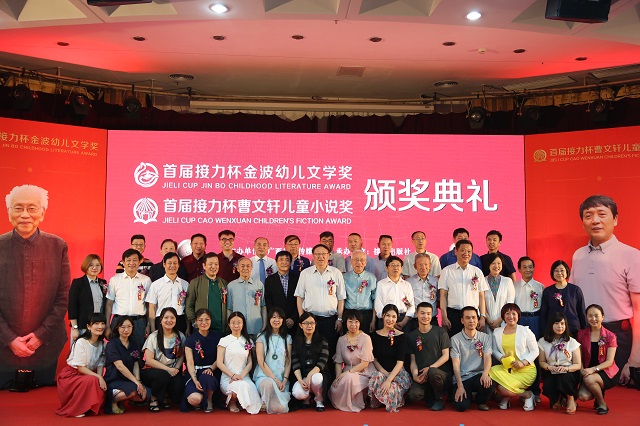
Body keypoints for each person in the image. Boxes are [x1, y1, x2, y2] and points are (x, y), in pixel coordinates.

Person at [0, 184, 70, 389]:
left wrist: (39, 336)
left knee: (42, 401)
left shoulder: (58, 246)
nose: (25, 215)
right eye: (18, 208)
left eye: (31, 208)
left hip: (46, 347)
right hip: (2, 348)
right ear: (9, 212)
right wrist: (10, 339)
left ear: (42, 212)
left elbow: (63, 296)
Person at [571, 195, 640, 379]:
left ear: (615, 219)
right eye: (588, 215)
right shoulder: (578, 255)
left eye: (602, 214)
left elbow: (638, 308)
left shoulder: (631, 255)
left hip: (617, 336)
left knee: (600, 384)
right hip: (584, 334)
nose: (595, 220)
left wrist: (635, 357)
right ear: (583, 222)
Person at [295, 243, 345, 359]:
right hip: (310, 320)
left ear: (329, 255)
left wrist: (339, 318)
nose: (320, 257)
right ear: (313, 256)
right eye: (317, 254)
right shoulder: (305, 273)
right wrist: (302, 318)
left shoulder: (336, 273)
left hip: (330, 320)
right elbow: (299, 297)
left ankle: (330, 371)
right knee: (311, 351)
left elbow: (341, 298)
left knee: (330, 351)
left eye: (323, 254)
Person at [55, 313, 107, 418]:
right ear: (89, 326)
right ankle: (76, 409)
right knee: (93, 380)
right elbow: (80, 367)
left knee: (99, 384)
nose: (100, 326)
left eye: (102, 323)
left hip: (89, 375)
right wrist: (98, 377)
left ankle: (88, 407)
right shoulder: (81, 342)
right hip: (72, 376)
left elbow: (101, 364)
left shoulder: (102, 344)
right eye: (96, 323)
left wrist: (100, 378)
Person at [488, 303, 538, 411]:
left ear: (518, 315)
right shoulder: (497, 332)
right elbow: (494, 350)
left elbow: (535, 351)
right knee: (489, 373)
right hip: (507, 369)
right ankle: (508, 396)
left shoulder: (525, 331)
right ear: (503, 316)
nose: (511, 316)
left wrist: (522, 362)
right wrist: (501, 357)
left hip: (525, 370)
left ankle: (528, 395)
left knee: (504, 389)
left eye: (513, 313)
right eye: (507, 313)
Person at [406, 302, 451, 411]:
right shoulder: (411, 336)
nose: (425, 316)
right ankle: (429, 395)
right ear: (416, 314)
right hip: (423, 376)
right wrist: (415, 376)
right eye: (422, 313)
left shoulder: (441, 332)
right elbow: (413, 361)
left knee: (432, 372)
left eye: (428, 314)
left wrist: (430, 368)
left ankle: (439, 399)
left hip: (440, 374)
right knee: (414, 395)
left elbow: (446, 356)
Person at [439, 239, 488, 337]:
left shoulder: (477, 271)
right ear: (455, 251)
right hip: (453, 315)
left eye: (469, 251)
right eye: (462, 250)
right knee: (453, 342)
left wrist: (482, 316)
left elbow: (481, 296)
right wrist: (444, 316)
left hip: (472, 316)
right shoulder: (447, 271)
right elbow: (443, 296)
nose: (466, 253)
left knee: (474, 343)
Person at [577, 304, 619, 415]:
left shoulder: (610, 336)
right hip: (587, 372)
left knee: (589, 379)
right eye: (590, 316)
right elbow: (579, 356)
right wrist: (582, 370)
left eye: (596, 316)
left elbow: (609, 362)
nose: (593, 319)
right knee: (582, 396)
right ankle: (597, 390)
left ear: (602, 317)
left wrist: (593, 369)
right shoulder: (581, 334)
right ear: (586, 317)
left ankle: (602, 403)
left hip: (606, 371)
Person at [141, 307, 186, 411]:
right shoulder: (153, 336)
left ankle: (165, 395)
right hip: (153, 370)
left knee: (178, 385)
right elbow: (149, 360)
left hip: (172, 370)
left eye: (172, 318)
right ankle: (154, 398)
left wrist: (176, 369)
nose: (169, 320)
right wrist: (168, 369)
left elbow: (182, 355)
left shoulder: (180, 336)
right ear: (161, 320)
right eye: (166, 317)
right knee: (162, 375)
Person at [105, 248, 151, 349]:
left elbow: (149, 305)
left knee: (137, 352)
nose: (131, 263)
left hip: (139, 323)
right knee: (117, 351)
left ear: (140, 262)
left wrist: (148, 324)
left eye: (135, 260)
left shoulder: (146, 280)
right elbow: (109, 303)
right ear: (123, 262)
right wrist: (107, 325)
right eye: (128, 260)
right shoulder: (115, 280)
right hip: (119, 321)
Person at [329, 310, 375, 412]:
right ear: (345, 322)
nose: (353, 325)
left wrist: (347, 373)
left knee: (350, 378)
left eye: (356, 322)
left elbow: (365, 363)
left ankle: (355, 404)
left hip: (364, 372)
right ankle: (343, 403)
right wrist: (338, 377)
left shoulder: (366, 338)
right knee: (335, 386)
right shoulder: (341, 340)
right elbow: (338, 361)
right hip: (346, 372)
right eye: (350, 321)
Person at [450, 306, 493, 412]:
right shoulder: (455, 339)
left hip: (478, 375)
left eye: (474, 317)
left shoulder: (485, 337)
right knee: (461, 406)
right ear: (462, 320)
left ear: (478, 320)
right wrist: (460, 385)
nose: (471, 321)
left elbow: (487, 357)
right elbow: (455, 364)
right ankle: (464, 396)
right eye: (468, 318)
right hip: (463, 378)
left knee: (489, 384)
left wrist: (485, 374)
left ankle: (480, 401)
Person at [368, 304, 411, 412]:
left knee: (392, 389)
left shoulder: (402, 336)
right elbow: (375, 360)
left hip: (397, 374)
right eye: (388, 316)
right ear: (383, 316)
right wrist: (385, 375)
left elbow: (400, 362)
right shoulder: (374, 336)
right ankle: (382, 399)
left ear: (397, 319)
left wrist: (389, 380)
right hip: (382, 372)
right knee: (376, 377)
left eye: (393, 317)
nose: (390, 319)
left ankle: (391, 398)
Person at [217, 312, 261, 414]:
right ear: (229, 324)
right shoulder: (224, 340)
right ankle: (232, 402)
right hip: (228, 378)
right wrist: (232, 375)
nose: (236, 326)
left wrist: (241, 376)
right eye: (233, 323)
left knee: (249, 388)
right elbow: (219, 363)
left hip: (244, 377)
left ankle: (243, 402)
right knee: (237, 389)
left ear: (243, 324)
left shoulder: (248, 341)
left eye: (239, 322)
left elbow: (250, 363)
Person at [538, 312, 582, 414]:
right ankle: (558, 398)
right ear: (551, 325)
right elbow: (542, 361)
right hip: (552, 370)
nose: (560, 326)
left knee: (563, 377)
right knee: (549, 384)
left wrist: (566, 368)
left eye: (562, 323)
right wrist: (549, 367)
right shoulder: (542, 342)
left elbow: (578, 365)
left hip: (569, 372)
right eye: (556, 323)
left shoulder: (572, 342)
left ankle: (570, 399)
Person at [514, 256, 545, 401]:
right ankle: (523, 389)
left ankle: (536, 391)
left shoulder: (540, 287)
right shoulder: (514, 286)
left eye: (530, 267)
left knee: (535, 354)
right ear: (519, 269)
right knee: (521, 354)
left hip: (535, 320)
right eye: (525, 267)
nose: (528, 269)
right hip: (519, 321)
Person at [104, 315, 149, 414]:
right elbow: (120, 366)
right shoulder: (112, 345)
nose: (126, 330)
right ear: (117, 328)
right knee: (133, 390)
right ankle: (113, 401)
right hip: (114, 379)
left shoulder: (134, 344)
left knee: (142, 396)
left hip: (128, 379)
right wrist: (136, 383)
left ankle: (121, 400)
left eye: (129, 326)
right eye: (123, 327)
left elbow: (136, 363)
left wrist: (138, 381)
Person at [253, 307, 292, 414]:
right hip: (264, 377)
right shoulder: (261, 337)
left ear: (283, 320)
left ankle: (266, 402)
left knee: (279, 409)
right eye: (274, 317)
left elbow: (288, 361)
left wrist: (284, 380)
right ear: (269, 319)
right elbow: (261, 361)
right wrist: (275, 380)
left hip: (281, 380)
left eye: (279, 318)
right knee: (268, 384)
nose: (276, 320)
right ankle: (263, 400)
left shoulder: (287, 338)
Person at [183, 308, 222, 412]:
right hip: (195, 372)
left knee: (207, 377)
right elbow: (190, 362)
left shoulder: (218, 337)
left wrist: (211, 368)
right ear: (196, 321)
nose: (204, 323)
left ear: (211, 320)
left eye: (207, 319)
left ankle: (209, 400)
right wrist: (195, 379)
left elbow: (220, 358)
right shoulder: (190, 339)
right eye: (200, 320)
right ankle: (200, 400)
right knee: (194, 399)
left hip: (212, 371)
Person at [291, 312, 331, 411]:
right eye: (306, 323)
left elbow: (322, 362)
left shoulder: (322, 340)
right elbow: (295, 363)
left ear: (315, 324)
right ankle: (307, 398)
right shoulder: (296, 342)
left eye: (312, 323)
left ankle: (319, 400)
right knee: (297, 393)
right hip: (303, 376)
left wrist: (309, 376)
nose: (309, 326)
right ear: (300, 325)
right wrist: (300, 380)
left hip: (318, 374)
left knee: (316, 378)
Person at [540, 260, 586, 337]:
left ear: (567, 271)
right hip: (554, 331)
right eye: (556, 271)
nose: (559, 273)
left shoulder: (575, 290)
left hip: (573, 330)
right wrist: (544, 332)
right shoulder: (548, 291)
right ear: (552, 273)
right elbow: (543, 314)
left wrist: (584, 331)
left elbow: (581, 312)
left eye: (562, 270)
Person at [68, 255, 107, 345]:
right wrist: (75, 328)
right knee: (80, 352)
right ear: (86, 266)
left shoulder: (103, 283)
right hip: (82, 327)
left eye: (97, 265)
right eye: (91, 265)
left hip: (98, 328)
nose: (94, 268)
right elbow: (72, 306)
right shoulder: (78, 283)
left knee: (96, 352)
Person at [146, 252, 189, 334]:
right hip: (161, 320)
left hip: (180, 321)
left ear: (178, 265)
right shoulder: (156, 285)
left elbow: (187, 307)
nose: (172, 265)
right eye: (169, 263)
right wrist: (153, 328)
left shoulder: (185, 284)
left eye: (175, 263)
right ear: (164, 264)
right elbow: (152, 308)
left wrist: (188, 327)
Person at [186, 252, 229, 333]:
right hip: (201, 329)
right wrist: (195, 322)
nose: (213, 267)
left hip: (220, 329)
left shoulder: (223, 283)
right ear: (204, 266)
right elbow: (189, 306)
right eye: (210, 264)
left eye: (216, 264)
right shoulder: (195, 283)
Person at [227, 257, 266, 338]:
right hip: (238, 329)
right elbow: (229, 309)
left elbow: (263, 306)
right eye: (242, 266)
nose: (245, 268)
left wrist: (264, 324)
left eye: (248, 266)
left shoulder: (259, 285)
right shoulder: (231, 286)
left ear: (251, 268)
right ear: (238, 268)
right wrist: (230, 326)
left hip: (256, 327)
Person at [264, 250, 300, 335]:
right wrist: (277, 318)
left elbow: (300, 299)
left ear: (291, 262)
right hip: (276, 322)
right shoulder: (269, 280)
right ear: (276, 262)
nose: (284, 262)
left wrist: (293, 318)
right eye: (281, 260)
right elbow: (268, 301)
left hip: (293, 322)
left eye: (287, 260)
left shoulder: (297, 278)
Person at [374, 256, 414, 330]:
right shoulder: (381, 284)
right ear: (386, 268)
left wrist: (403, 323)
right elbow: (378, 306)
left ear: (401, 268)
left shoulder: (407, 285)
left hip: (403, 320)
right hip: (385, 320)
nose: (395, 268)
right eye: (392, 265)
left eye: (398, 265)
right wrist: (389, 320)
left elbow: (411, 306)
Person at [343, 250, 377, 333]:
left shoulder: (371, 277)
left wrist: (373, 320)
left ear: (365, 262)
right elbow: (341, 299)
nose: (359, 263)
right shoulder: (344, 277)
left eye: (362, 260)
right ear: (351, 262)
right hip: (349, 314)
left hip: (366, 315)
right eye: (356, 260)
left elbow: (375, 300)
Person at [483, 253, 515, 339]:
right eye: (493, 263)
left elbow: (510, 303)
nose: (496, 266)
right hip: (487, 324)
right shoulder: (482, 281)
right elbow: (481, 303)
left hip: (504, 322)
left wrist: (499, 320)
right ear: (488, 265)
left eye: (499, 263)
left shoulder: (508, 281)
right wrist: (489, 320)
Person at [406, 253, 439, 327]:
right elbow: (406, 301)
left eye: (426, 264)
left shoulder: (436, 281)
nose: (423, 267)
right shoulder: (408, 282)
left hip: (432, 319)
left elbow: (439, 300)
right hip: (414, 320)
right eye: (420, 264)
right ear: (415, 266)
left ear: (430, 266)